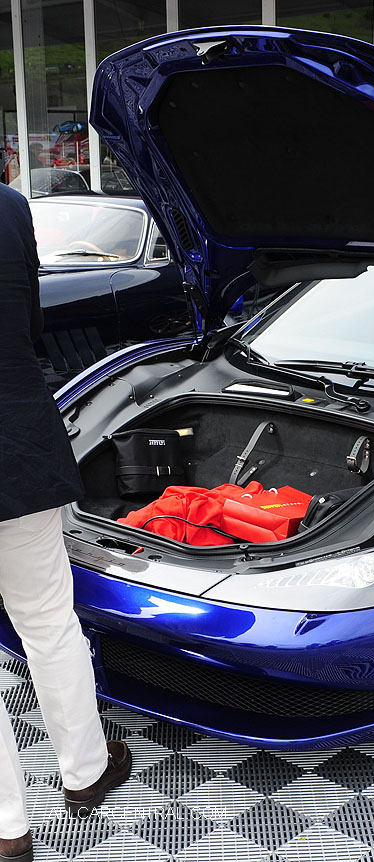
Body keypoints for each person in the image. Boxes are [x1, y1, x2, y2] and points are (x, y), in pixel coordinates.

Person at [0, 182, 131, 862]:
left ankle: (8, 830)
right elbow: (28, 327)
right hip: (15, 441)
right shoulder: (10, 206)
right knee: (49, 619)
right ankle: (85, 773)